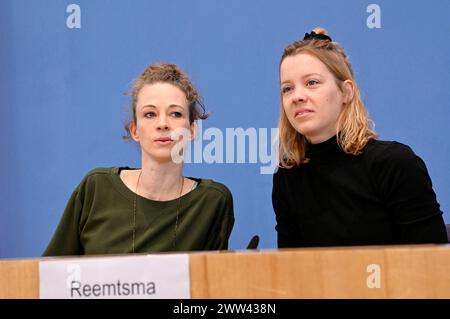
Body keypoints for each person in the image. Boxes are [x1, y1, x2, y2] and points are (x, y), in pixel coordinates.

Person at [272, 28, 448, 248]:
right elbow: (292, 271)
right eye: (287, 88)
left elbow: (432, 267)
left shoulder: (394, 163)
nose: (297, 96)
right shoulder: (288, 176)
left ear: (346, 92)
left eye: (312, 83)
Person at [44, 63, 234, 256]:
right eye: (150, 114)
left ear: (192, 130)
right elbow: (48, 276)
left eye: (175, 113)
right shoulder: (96, 188)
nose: (162, 124)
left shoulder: (212, 202)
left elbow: (212, 281)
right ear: (134, 130)